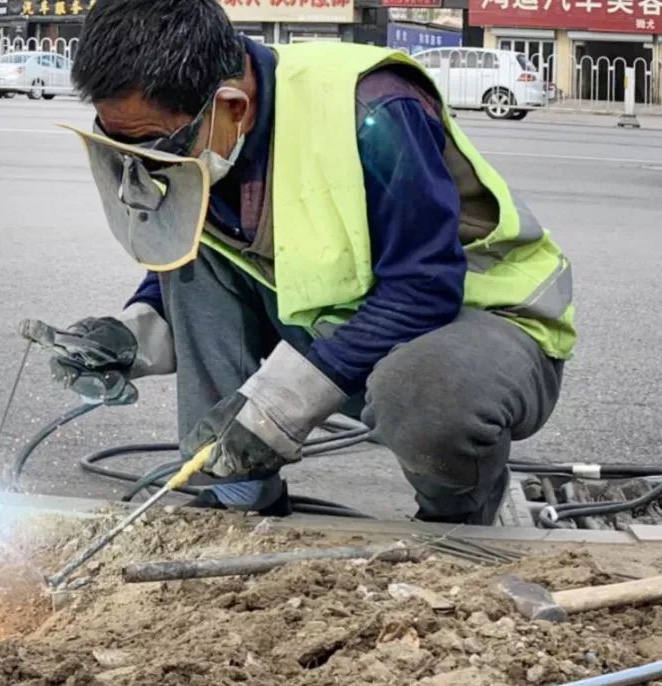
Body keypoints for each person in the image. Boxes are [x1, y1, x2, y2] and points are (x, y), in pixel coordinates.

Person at [30, 0, 575, 524]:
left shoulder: (374, 110)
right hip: (335, 322)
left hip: (473, 320)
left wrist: (278, 409)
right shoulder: (207, 139)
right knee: (191, 262)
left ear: (232, 107)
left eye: (154, 146)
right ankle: (238, 498)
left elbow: (422, 288)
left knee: (425, 397)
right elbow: (205, 258)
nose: (145, 167)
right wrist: (135, 333)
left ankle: (458, 518)